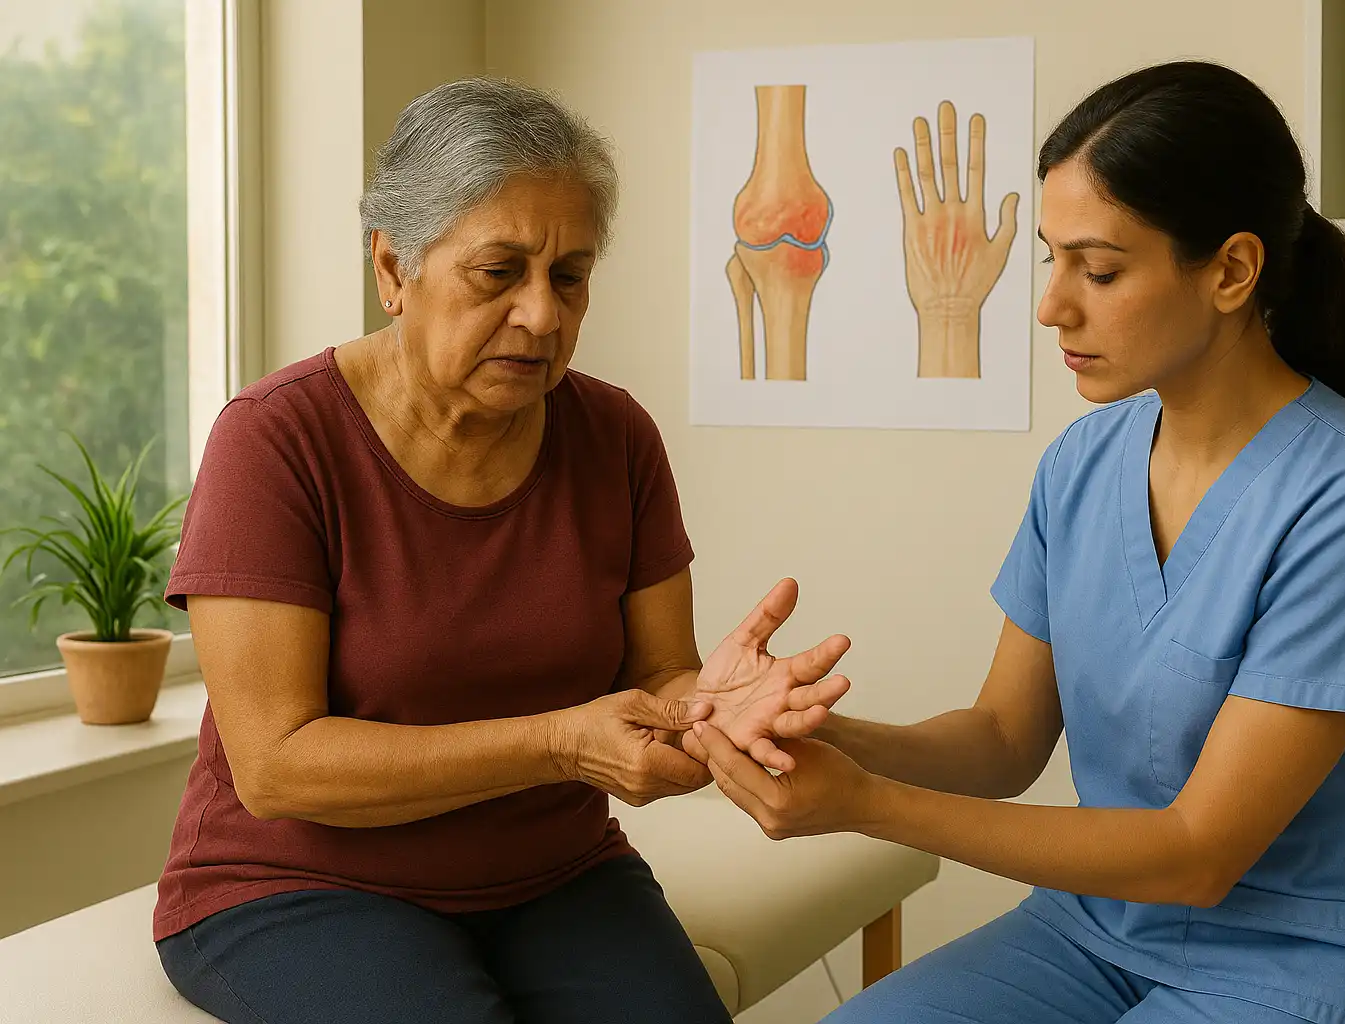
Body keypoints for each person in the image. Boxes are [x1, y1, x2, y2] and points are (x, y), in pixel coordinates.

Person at [694, 60, 1345, 1024]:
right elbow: (1003, 740)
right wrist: (812, 735)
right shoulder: (1083, 464)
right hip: (1097, 933)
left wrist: (865, 807)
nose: (1053, 304)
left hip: (1303, 959)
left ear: (1231, 270)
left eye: (1099, 269)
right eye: (1052, 259)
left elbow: (1199, 851)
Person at [153, 77, 850, 1024]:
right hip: (296, 885)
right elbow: (278, 765)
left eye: (569, 275)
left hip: (553, 874)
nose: (543, 314)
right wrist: (559, 743)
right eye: (499, 272)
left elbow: (659, 675)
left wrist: (711, 709)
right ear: (394, 270)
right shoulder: (276, 440)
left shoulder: (615, 437)